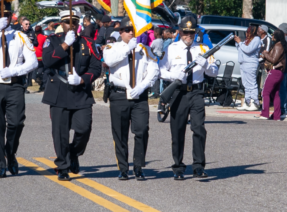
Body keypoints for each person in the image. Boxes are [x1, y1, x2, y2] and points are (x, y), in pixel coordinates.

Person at [0, 7, 37, 178]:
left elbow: (33, 63)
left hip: (15, 85)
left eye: (6, 15)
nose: (2, 17)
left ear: (11, 17)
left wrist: (15, 71)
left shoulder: (20, 36)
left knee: (17, 123)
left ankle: (10, 153)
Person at [40, 10, 99, 181]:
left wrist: (82, 80)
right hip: (59, 91)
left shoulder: (87, 43)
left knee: (84, 129)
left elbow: (96, 68)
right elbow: (47, 61)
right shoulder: (52, 40)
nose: (71, 25)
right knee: (60, 133)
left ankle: (73, 153)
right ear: (61, 23)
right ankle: (63, 166)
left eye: (74, 22)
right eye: (67, 22)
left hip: (81, 93)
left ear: (78, 24)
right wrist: (65, 45)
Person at [158, 16, 216, 180]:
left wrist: (205, 65)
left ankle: (198, 166)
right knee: (177, 131)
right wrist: (173, 75)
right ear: (179, 31)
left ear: (196, 32)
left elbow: (214, 71)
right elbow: (161, 71)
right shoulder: (171, 49)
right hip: (178, 93)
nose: (188, 35)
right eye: (185, 32)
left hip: (197, 92)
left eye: (191, 32)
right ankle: (178, 167)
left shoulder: (203, 49)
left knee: (199, 129)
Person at [102, 19, 158, 181]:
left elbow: (153, 70)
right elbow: (110, 62)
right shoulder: (113, 47)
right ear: (121, 32)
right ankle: (123, 168)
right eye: (127, 30)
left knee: (141, 130)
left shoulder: (145, 49)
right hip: (119, 94)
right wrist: (128, 49)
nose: (131, 33)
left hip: (139, 96)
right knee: (120, 133)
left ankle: (139, 167)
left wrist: (142, 87)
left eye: (133, 30)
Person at [259, 29, 287, 121]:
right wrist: (266, 55)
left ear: (277, 37)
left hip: (274, 72)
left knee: (265, 92)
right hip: (278, 72)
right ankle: (277, 115)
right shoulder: (280, 45)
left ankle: (265, 113)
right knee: (275, 94)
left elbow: (274, 60)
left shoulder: (278, 45)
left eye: (273, 36)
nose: (272, 37)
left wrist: (265, 54)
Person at [234, 24, 262, 111]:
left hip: (251, 63)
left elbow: (248, 50)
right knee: (246, 84)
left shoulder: (256, 39)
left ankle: (255, 102)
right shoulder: (247, 40)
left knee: (252, 83)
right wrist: (238, 43)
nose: (247, 33)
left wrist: (240, 42)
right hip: (243, 63)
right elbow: (241, 49)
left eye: (248, 31)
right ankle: (247, 102)